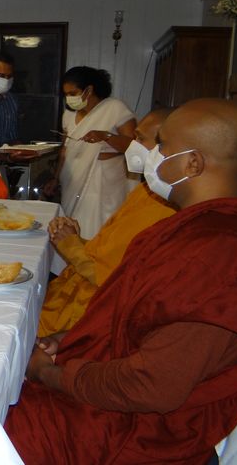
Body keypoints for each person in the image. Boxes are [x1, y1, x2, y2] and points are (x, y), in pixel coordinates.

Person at [5, 98, 237, 464]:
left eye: (161, 145)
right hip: (104, 386)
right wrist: (71, 338)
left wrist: (51, 374)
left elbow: (153, 386)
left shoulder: (223, 254)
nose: (150, 155)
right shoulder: (188, 227)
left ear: (192, 163)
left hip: (136, 430)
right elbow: (140, 316)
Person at [38, 108, 176, 337]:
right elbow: (110, 252)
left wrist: (70, 245)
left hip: (90, 311)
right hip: (72, 292)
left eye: (140, 139)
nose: (132, 145)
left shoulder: (165, 209)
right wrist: (78, 239)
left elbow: (112, 277)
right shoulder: (146, 191)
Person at [44, 66, 137, 238]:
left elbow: (134, 146)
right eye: (66, 94)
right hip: (73, 182)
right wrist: (56, 178)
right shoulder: (68, 115)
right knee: (72, 227)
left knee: (100, 231)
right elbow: (65, 151)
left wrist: (106, 136)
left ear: (89, 90)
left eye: (73, 93)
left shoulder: (115, 108)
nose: (69, 98)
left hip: (104, 183)